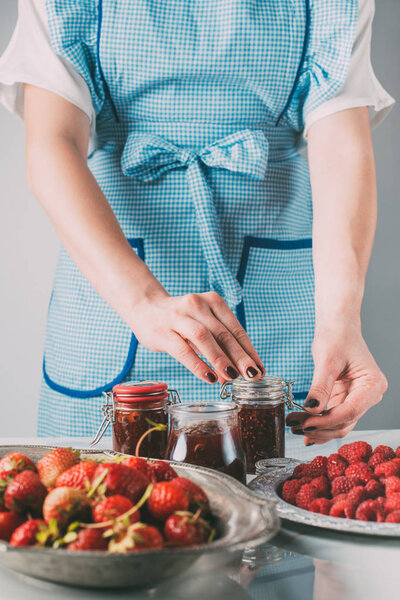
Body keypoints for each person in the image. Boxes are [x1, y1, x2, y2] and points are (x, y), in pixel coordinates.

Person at [0, 0, 394, 444]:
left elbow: (342, 150)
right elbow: (52, 144)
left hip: (277, 305)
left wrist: (341, 318)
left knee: (274, 489)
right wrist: (143, 303)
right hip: (115, 292)